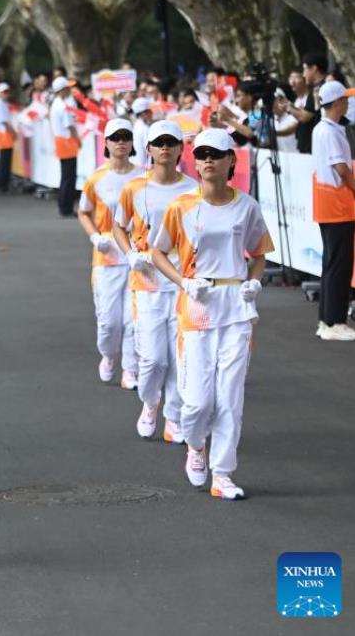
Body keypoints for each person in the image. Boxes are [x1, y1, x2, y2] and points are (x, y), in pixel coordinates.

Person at [151, 128, 272, 500]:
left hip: (235, 307)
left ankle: (223, 473)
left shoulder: (246, 206)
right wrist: (184, 282)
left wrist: (252, 282)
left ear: (230, 160)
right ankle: (195, 445)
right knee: (198, 401)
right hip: (198, 307)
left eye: (215, 154)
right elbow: (158, 252)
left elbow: (259, 253)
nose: (206, 160)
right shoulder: (181, 207)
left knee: (230, 396)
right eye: (201, 154)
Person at [114, 120, 198, 441]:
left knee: (179, 358)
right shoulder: (134, 188)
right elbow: (119, 225)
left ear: (180, 148)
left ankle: (172, 415)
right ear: (148, 148)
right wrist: (129, 255)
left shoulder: (192, 189)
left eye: (170, 143)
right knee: (152, 359)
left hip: (180, 283)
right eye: (158, 143)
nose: (164, 148)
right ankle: (150, 402)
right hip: (147, 282)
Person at [78, 119, 144, 388]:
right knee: (109, 322)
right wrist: (95, 236)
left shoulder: (143, 178)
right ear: (105, 143)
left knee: (133, 319)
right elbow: (83, 211)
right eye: (115, 137)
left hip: (137, 257)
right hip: (106, 258)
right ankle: (108, 355)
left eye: (125, 137)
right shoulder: (96, 178)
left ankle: (131, 369)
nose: (121, 142)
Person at [310, 80, 355, 341]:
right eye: (346, 99)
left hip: (329, 203)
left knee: (332, 263)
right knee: (339, 264)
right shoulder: (330, 131)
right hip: (337, 204)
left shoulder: (323, 129)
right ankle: (334, 321)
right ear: (338, 102)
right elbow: (342, 169)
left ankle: (327, 320)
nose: (349, 103)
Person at [50, 77, 80, 217]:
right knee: (69, 177)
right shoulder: (62, 106)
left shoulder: (56, 104)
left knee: (66, 176)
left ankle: (64, 205)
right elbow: (70, 126)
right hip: (66, 142)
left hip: (61, 141)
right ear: (62, 90)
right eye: (67, 88)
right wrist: (78, 139)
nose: (69, 90)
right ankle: (66, 207)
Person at [291, 53, 328, 154]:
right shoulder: (316, 89)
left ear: (314, 68)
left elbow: (305, 116)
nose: (304, 74)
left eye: (305, 69)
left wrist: (288, 108)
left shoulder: (323, 88)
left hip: (323, 146)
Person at [0, 82, 17, 192]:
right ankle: (3, 184)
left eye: (7, 92)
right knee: (4, 161)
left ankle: (3, 183)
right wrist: (13, 133)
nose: (6, 94)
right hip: (3, 134)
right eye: (4, 92)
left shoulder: (2, 103)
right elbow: (5, 122)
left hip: (4, 134)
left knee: (5, 160)